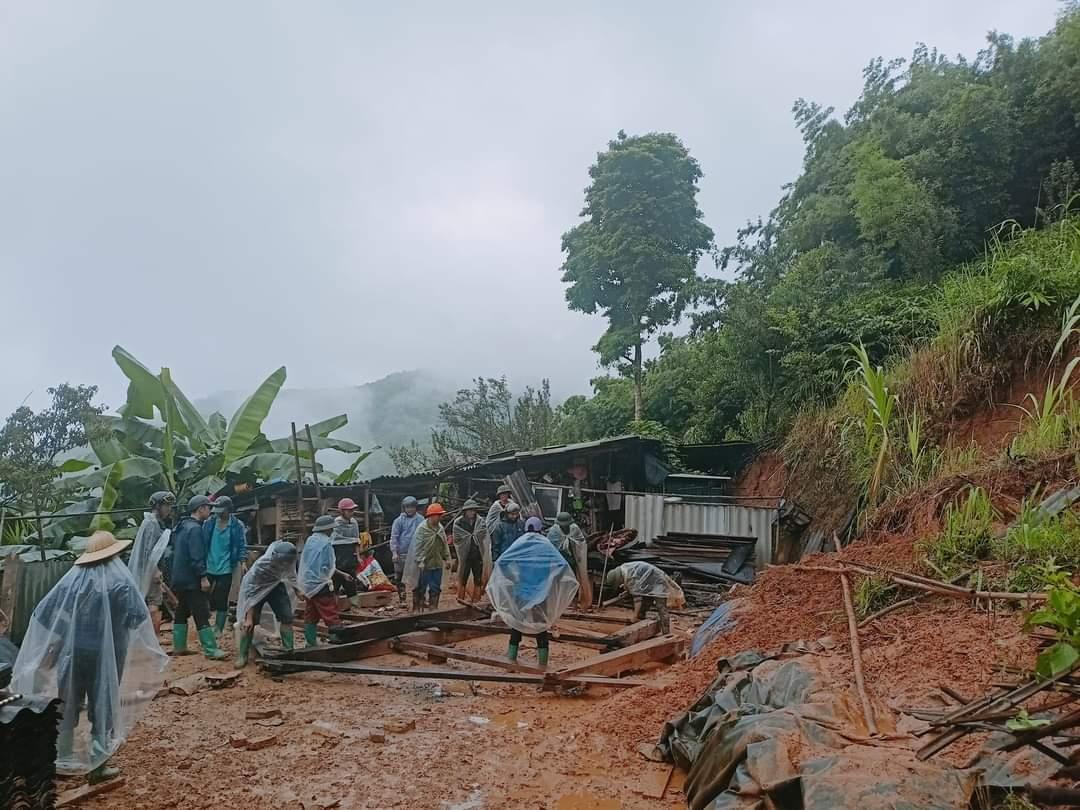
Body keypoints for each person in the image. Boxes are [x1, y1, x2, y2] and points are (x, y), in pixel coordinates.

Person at [12, 531, 168, 782]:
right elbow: (138, 618)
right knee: (102, 704)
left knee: (67, 703)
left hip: (73, 654)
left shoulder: (72, 582)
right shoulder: (121, 583)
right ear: (114, 554)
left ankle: (60, 758)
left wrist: (62, 633)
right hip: (106, 657)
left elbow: (43, 613)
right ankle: (98, 765)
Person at [485, 529, 578, 668]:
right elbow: (562, 564)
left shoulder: (521, 544)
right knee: (541, 628)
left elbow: (502, 562)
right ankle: (542, 665)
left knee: (516, 625)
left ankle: (511, 660)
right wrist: (552, 579)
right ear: (540, 529)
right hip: (542, 594)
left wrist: (512, 577)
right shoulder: (545, 545)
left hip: (522, 593)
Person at [170, 495, 227, 660]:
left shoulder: (181, 526)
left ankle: (179, 646)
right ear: (201, 508)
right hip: (191, 578)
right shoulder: (195, 529)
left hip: (179, 577)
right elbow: (196, 556)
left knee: (181, 611)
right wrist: (203, 577)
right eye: (208, 508)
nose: (210, 511)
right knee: (201, 611)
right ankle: (211, 649)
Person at [234, 541, 303, 668]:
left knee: (286, 617)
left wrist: (297, 590)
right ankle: (242, 655)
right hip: (256, 589)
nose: (284, 565)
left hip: (276, 586)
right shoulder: (261, 566)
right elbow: (251, 593)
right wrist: (248, 617)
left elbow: (291, 574)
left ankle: (289, 651)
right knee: (250, 623)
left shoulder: (289, 560)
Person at [299, 515, 355, 647]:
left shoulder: (310, 541)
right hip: (321, 584)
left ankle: (310, 642)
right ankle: (336, 638)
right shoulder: (326, 544)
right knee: (330, 611)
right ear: (328, 529)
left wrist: (342, 575)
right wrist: (336, 576)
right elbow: (327, 566)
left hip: (308, 584)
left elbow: (311, 563)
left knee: (311, 613)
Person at [127, 491, 175, 636]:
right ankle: (153, 639)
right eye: (166, 505)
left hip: (146, 570)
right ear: (157, 506)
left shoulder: (150, 522)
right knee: (154, 603)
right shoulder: (152, 524)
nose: (168, 509)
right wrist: (155, 570)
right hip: (149, 570)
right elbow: (149, 551)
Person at [201, 495, 247, 639]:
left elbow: (241, 544)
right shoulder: (209, 523)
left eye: (222, 510)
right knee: (203, 597)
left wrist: (243, 561)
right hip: (209, 565)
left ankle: (218, 628)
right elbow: (202, 542)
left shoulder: (237, 525)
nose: (219, 513)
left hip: (226, 566)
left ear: (229, 509)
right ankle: (204, 625)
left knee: (222, 598)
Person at [604, 561, 686, 634]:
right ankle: (642, 627)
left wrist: (634, 616)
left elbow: (637, 599)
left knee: (661, 607)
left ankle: (666, 632)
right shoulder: (625, 569)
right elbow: (635, 587)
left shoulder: (629, 574)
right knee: (645, 604)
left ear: (618, 578)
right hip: (648, 584)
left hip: (658, 581)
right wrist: (626, 592)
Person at [403, 503, 450, 613]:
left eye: (440, 515)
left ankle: (433, 608)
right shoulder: (422, 529)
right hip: (424, 564)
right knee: (420, 587)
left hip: (437, 562)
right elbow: (417, 547)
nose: (439, 517)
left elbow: (444, 545)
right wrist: (420, 561)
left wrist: (447, 558)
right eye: (438, 515)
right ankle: (417, 608)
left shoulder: (440, 528)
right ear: (431, 516)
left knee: (435, 587)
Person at [547, 512, 592, 608]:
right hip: (559, 559)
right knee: (558, 581)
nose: (565, 527)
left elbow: (581, 542)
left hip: (571, 557)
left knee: (573, 579)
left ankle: (574, 599)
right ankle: (559, 601)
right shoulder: (554, 531)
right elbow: (550, 547)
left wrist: (578, 555)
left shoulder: (574, 529)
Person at [452, 499, 491, 603]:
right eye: (469, 510)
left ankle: (477, 600)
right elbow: (457, 538)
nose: (472, 512)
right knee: (463, 578)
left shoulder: (480, 521)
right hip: (465, 555)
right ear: (465, 511)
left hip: (477, 554)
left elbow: (483, 534)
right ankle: (461, 599)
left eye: (473, 510)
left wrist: (474, 537)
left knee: (478, 578)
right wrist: (468, 539)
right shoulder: (459, 522)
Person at [389, 496, 424, 603]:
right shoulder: (399, 521)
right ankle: (402, 599)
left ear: (415, 508)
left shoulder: (421, 519)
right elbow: (394, 537)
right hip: (402, 553)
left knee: (417, 577)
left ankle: (418, 599)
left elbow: (424, 536)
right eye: (407, 507)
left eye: (412, 507)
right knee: (399, 578)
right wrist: (394, 552)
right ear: (404, 508)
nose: (410, 509)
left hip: (415, 553)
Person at [331, 497, 362, 596]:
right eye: (349, 510)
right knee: (335, 582)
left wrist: (358, 556)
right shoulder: (337, 523)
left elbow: (356, 540)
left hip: (350, 556)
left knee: (351, 583)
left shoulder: (354, 522)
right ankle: (334, 606)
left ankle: (353, 605)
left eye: (352, 510)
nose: (351, 512)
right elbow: (334, 541)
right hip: (339, 555)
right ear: (342, 511)